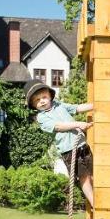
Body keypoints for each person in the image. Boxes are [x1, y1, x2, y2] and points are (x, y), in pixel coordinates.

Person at [28, 80, 95, 209]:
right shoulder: (41, 118)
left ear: (50, 96)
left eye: (44, 97)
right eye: (37, 100)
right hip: (69, 151)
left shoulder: (59, 105)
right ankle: (94, 203)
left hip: (82, 145)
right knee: (84, 177)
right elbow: (58, 126)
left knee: (92, 174)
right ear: (33, 105)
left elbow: (77, 108)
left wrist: (95, 105)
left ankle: (99, 198)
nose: (42, 101)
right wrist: (77, 124)